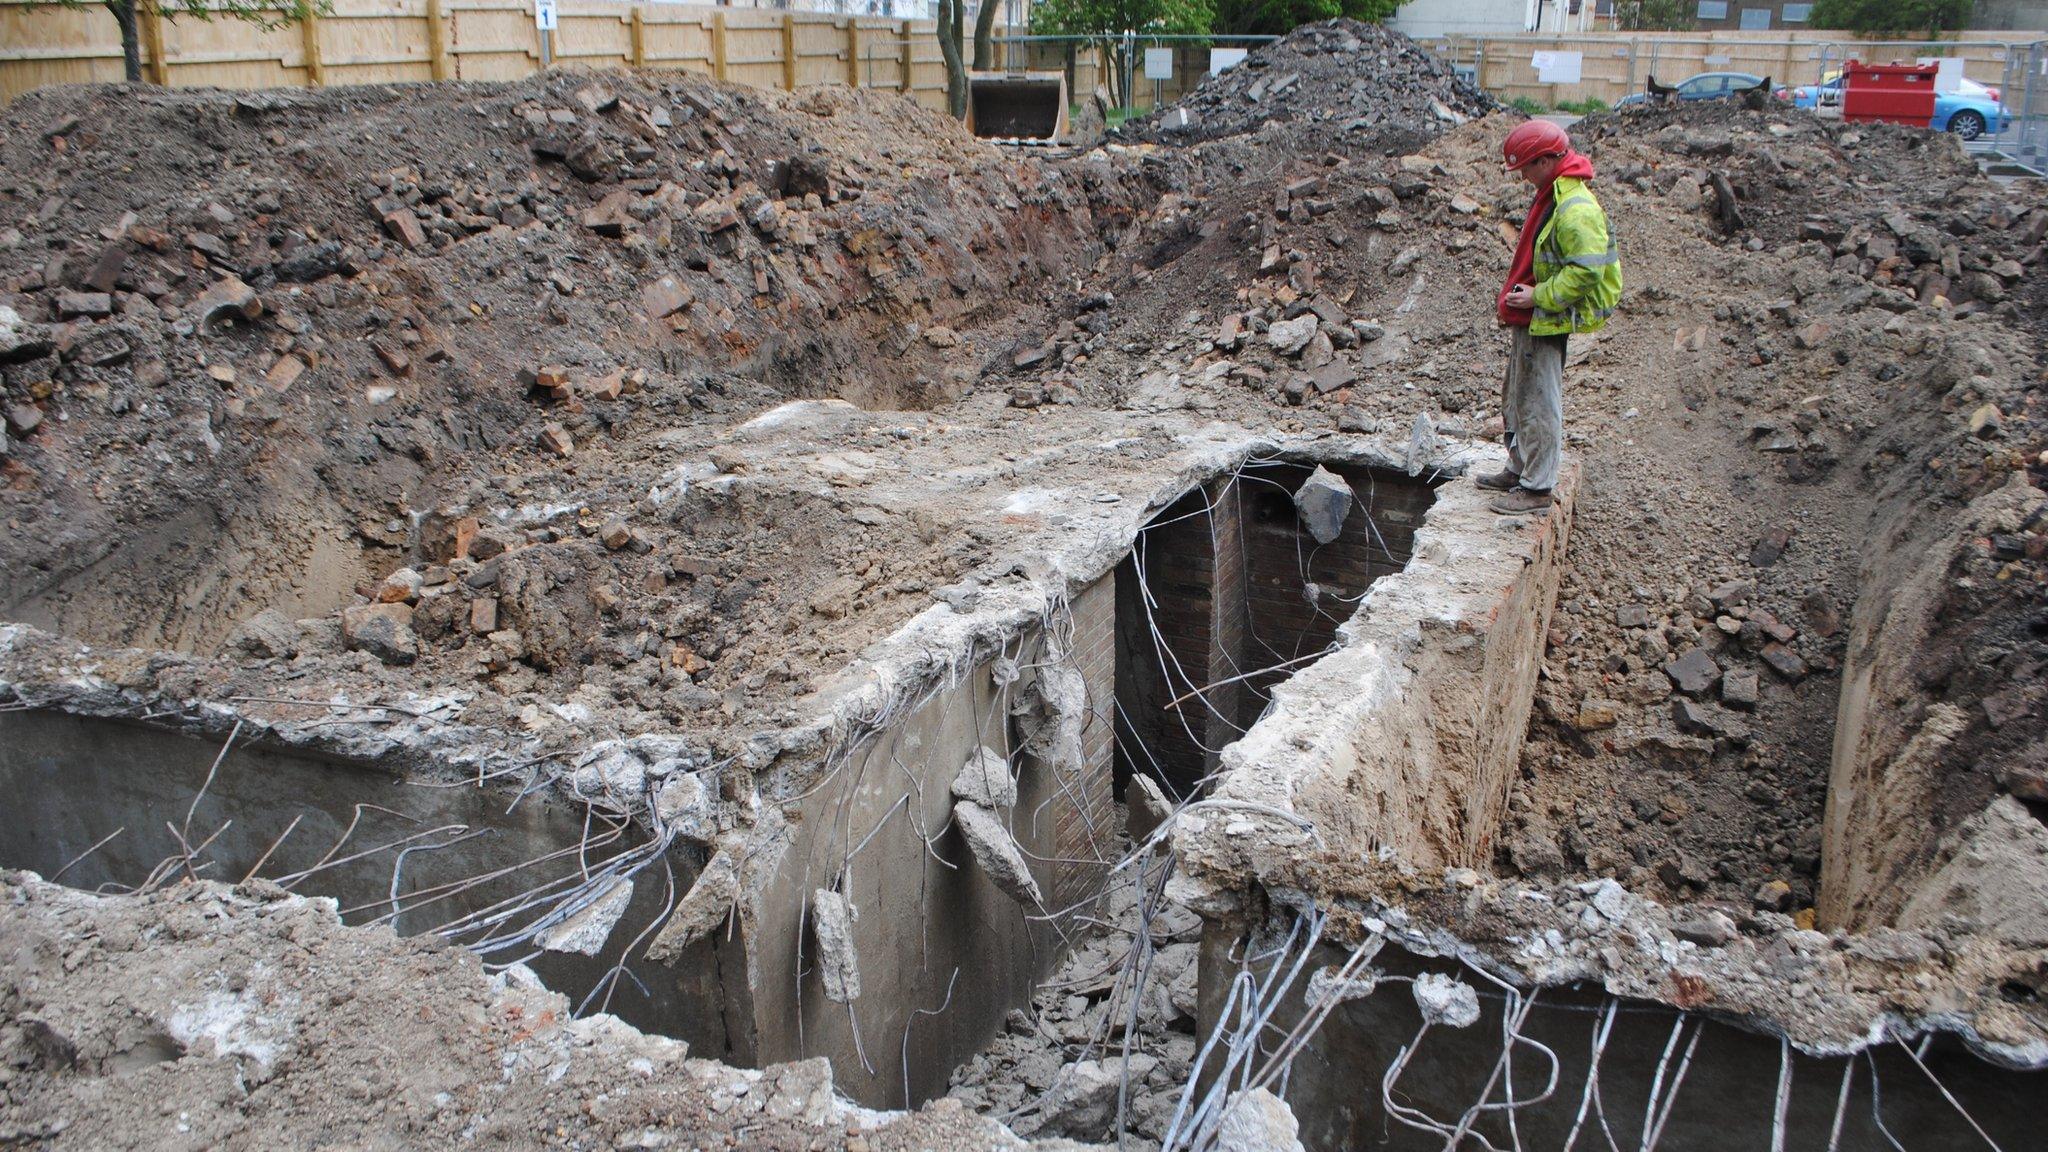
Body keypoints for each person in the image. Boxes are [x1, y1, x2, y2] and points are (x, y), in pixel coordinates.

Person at [1482, 120, 1622, 516]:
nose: (1523, 176)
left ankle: (1538, 488)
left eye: (1525, 167)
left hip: (1547, 316)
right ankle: (1520, 467)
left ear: (1545, 160)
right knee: (1517, 394)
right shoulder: (1552, 192)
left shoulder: (1575, 208)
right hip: (1532, 316)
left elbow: (1586, 272)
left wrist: (1538, 296)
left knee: (1539, 400)